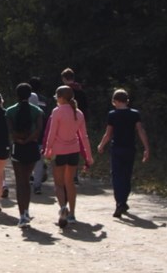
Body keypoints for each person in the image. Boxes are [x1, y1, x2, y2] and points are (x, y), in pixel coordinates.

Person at [44, 84, 94, 227]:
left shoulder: (57, 111)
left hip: (59, 152)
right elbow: (84, 136)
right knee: (70, 183)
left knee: (59, 184)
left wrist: (48, 150)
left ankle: (62, 208)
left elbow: (52, 133)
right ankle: (72, 213)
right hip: (74, 151)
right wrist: (88, 156)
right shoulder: (78, 113)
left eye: (56, 97)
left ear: (60, 98)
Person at [97, 88, 150, 218]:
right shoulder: (134, 114)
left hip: (117, 148)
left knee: (116, 176)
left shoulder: (112, 114)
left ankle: (119, 202)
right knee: (126, 175)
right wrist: (146, 148)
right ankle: (124, 201)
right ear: (127, 101)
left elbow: (108, 134)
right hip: (130, 148)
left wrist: (101, 145)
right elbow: (140, 131)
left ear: (114, 101)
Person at [6, 83, 44, 228]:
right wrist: (28, 140)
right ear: (30, 95)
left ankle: (21, 215)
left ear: (16, 95)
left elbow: (10, 131)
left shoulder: (10, 111)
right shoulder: (37, 111)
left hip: (17, 147)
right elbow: (39, 130)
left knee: (19, 181)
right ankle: (26, 211)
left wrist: (18, 140)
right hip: (32, 147)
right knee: (27, 181)